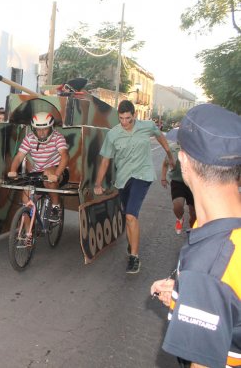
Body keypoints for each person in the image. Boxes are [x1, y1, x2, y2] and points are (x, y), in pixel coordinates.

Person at [150, 104, 241, 368]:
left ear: (185, 161)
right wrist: (187, 299)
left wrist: (200, 293)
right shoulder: (217, 225)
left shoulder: (209, 268)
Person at [94, 100, 175, 274]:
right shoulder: (113, 134)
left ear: (134, 116)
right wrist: (98, 183)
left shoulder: (147, 126)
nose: (124, 122)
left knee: (131, 215)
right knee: (128, 216)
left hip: (142, 175)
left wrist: (169, 154)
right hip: (123, 178)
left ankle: (134, 257)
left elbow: (160, 136)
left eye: (128, 119)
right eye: (121, 118)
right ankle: (133, 242)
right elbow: (105, 160)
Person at [7, 111, 69, 224]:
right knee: (26, 201)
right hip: (38, 173)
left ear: (51, 128)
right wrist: (12, 170)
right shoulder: (29, 138)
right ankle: (27, 235)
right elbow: (19, 157)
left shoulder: (58, 137)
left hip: (57, 171)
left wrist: (57, 174)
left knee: (47, 173)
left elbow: (65, 156)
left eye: (45, 129)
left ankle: (56, 207)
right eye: (37, 129)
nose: (41, 133)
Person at [160, 141, 196, 234]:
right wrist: (163, 178)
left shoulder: (196, 148)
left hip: (193, 183)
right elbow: (165, 164)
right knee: (177, 206)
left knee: (194, 214)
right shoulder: (172, 149)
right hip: (178, 182)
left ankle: (193, 231)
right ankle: (179, 219)